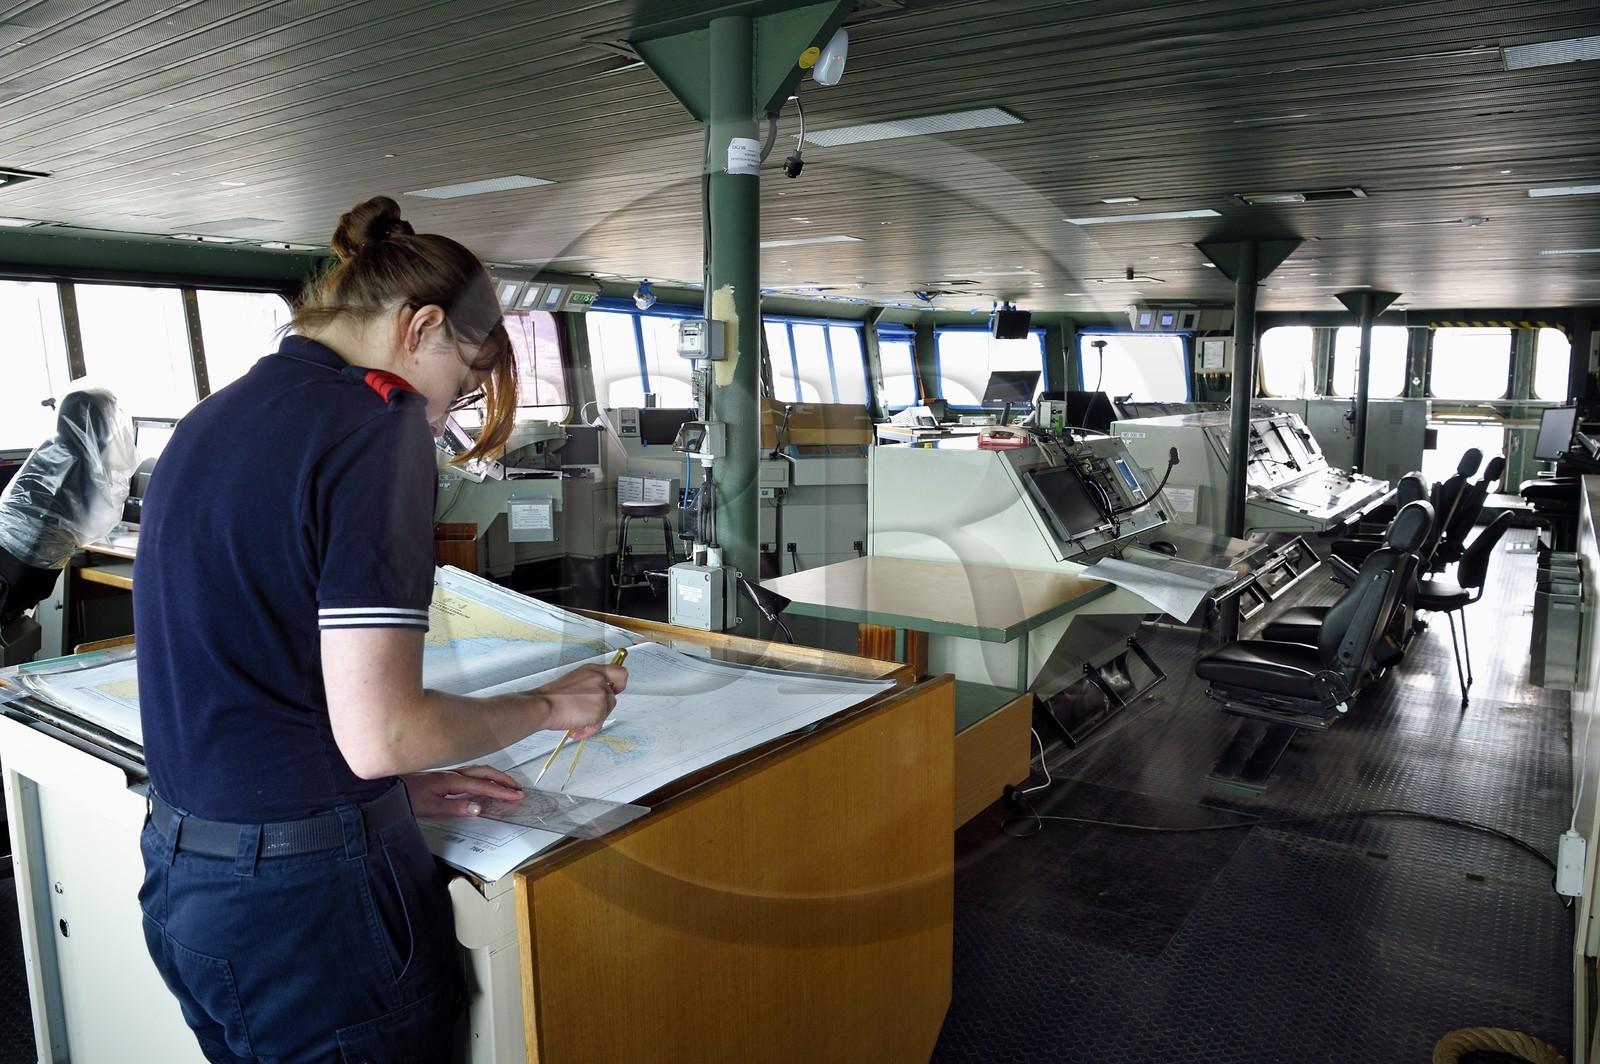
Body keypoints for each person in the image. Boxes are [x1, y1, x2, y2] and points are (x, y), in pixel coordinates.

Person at [133, 195, 626, 1063]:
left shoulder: (218, 414)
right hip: (308, 908)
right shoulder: (376, 425)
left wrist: (380, 798)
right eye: (462, 388)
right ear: (422, 326)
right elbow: (386, 733)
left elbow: (261, 674)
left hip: (188, 876)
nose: (442, 421)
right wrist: (551, 703)